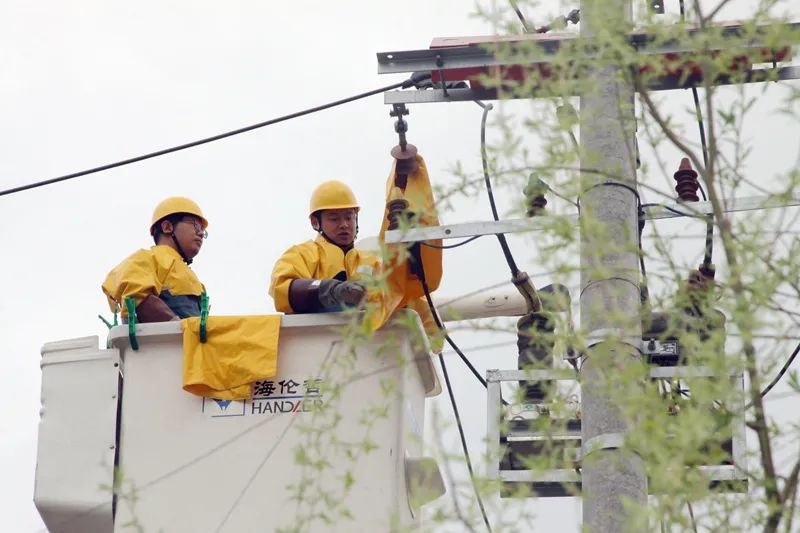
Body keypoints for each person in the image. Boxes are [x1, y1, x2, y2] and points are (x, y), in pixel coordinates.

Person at [270, 180, 376, 313]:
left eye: (349, 217)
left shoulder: (372, 262)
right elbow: (281, 288)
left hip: (368, 332)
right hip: (315, 333)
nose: (344, 224)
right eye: (334, 219)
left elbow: (398, 298)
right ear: (315, 222)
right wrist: (330, 289)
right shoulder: (302, 254)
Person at [102, 196, 209, 322]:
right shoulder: (147, 258)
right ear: (167, 227)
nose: (201, 233)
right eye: (196, 225)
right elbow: (135, 296)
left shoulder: (195, 280)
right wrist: (179, 330)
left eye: (203, 230)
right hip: (165, 340)